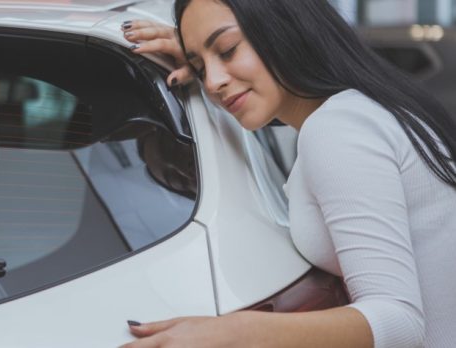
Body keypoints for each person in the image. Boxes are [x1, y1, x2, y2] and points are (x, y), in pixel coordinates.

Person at [119, 0, 456, 347]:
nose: (213, 82)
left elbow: (400, 321)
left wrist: (234, 332)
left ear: (284, 28)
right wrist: (208, 53)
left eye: (228, 49)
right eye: (200, 68)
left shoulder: (337, 129)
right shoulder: (360, 111)